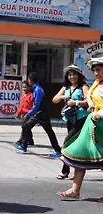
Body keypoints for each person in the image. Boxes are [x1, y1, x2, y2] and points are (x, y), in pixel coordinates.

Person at [56, 55, 103, 201]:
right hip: (93, 125)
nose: (96, 73)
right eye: (94, 70)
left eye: (99, 70)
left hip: (100, 123)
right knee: (79, 152)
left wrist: (100, 113)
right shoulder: (96, 84)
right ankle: (74, 190)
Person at [52, 65, 89, 180]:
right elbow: (54, 99)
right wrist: (63, 96)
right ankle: (74, 170)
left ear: (79, 75)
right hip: (70, 120)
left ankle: (65, 170)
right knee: (74, 145)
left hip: (81, 119)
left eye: (74, 74)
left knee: (67, 143)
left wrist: (76, 102)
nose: (71, 76)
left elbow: (88, 102)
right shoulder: (66, 87)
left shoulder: (83, 86)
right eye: (69, 74)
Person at [13, 72, 62, 156]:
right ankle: (57, 149)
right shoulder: (35, 88)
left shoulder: (38, 90)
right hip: (41, 112)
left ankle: (24, 146)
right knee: (48, 131)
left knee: (27, 126)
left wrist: (29, 114)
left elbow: (37, 104)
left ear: (30, 80)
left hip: (41, 113)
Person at [15, 80, 35, 146]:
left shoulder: (31, 96)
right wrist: (18, 113)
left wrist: (31, 113)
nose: (24, 89)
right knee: (27, 127)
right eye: (23, 87)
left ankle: (21, 140)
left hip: (29, 114)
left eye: (25, 87)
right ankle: (30, 140)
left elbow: (33, 106)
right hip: (24, 115)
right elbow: (21, 106)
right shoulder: (23, 96)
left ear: (29, 87)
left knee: (24, 127)